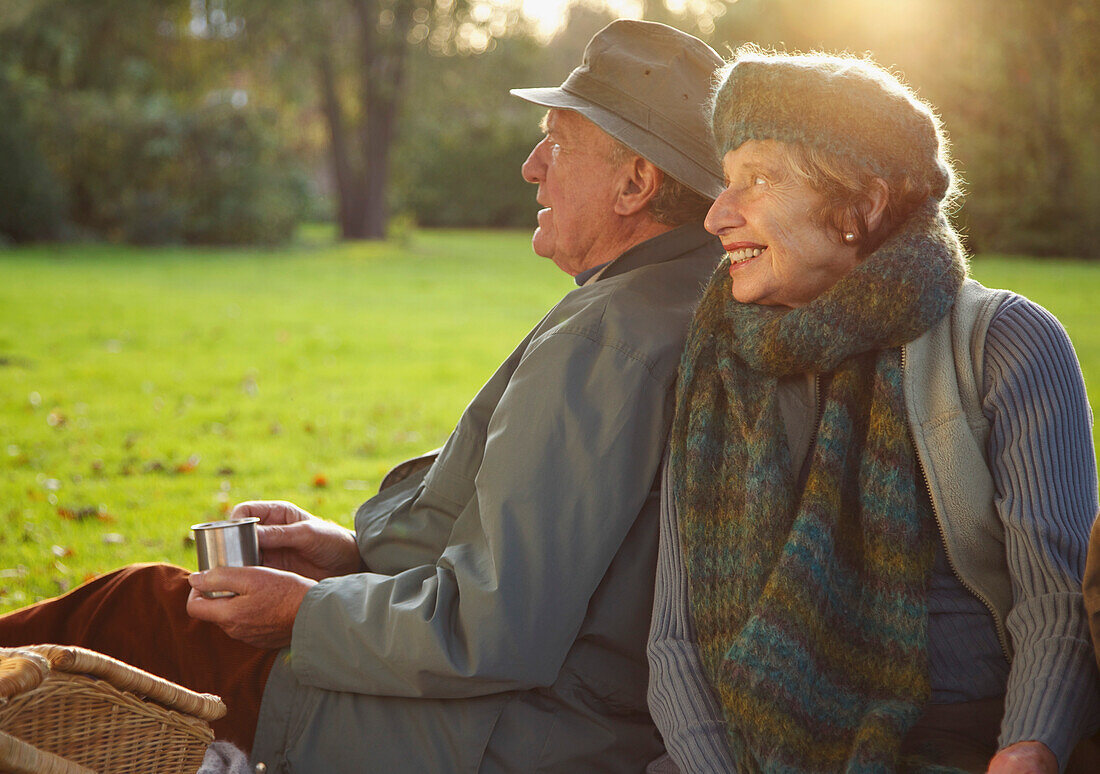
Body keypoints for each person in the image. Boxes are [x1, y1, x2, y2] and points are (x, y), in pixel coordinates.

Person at [0, 20, 727, 773]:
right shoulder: (682, 296)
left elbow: (490, 629)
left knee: (140, 613)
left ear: (636, 182)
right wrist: (352, 554)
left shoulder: (608, 341)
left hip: (490, 735)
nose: (530, 165)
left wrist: (301, 612)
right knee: (141, 607)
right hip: (553, 714)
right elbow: (545, 564)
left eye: (558, 140)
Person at [646, 48, 1100, 774]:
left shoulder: (1004, 344)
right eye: (725, 182)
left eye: (757, 179)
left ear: (865, 203)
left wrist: (1030, 747)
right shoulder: (715, 366)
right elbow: (674, 639)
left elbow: (1055, 601)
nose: (717, 216)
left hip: (960, 740)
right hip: (739, 748)